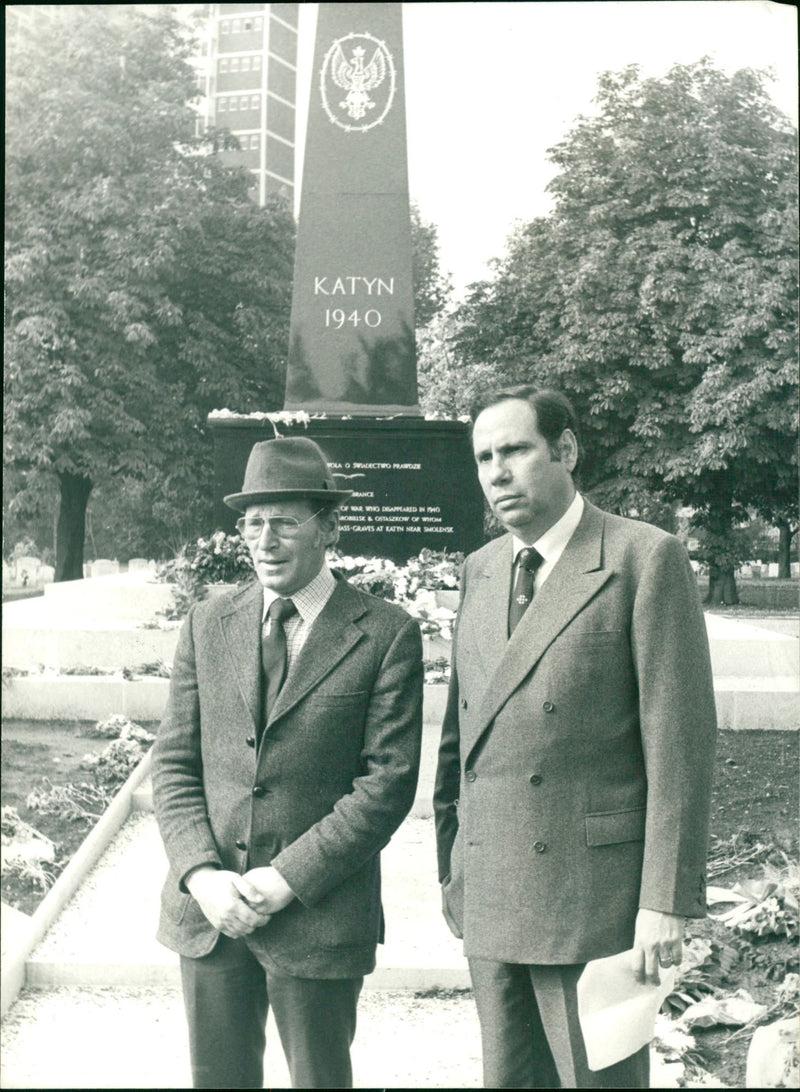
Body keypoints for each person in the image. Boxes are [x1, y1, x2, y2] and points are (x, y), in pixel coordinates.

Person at [434, 386, 717, 1088]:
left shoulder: (642, 559)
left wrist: (664, 900)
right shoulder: (482, 568)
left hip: (595, 905)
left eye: (516, 450)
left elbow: (679, 746)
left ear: (565, 450)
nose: (498, 472)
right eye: (484, 458)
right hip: (493, 891)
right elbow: (460, 738)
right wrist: (452, 867)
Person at [152, 436, 423, 1090]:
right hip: (210, 919)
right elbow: (174, 764)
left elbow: (384, 787)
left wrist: (286, 879)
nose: (264, 539)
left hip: (318, 917)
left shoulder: (385, 634)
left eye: (283, 522)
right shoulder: (207, 622)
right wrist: (202, 876)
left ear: (327, 527)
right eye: (252, 522)